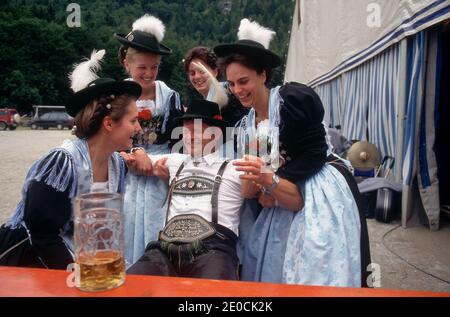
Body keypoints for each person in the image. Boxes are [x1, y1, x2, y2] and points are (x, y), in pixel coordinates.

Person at [214, 18, 367, 287]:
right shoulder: (248, 125)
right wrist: (264, 187)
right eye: (232, 84)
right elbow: (252, 183)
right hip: (280, 194)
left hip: (316, 186)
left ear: (263, 75)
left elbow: (314, 153)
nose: (237, 90)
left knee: (317, 264)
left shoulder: (290, 101)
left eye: (244, 81)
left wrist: (273, 183)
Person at [124, 100, 303, 279]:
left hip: (213, 251)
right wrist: (138, 152)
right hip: (164, 249)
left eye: (198, 130)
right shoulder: (173, 161)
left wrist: (262, 168)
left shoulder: (235, 167)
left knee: (215, 292)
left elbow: (288, 200)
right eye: (186, 129)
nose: (190, 136)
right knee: (130, 285)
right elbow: (128, 157)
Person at [0, 49, 142, 269]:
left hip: (77, 257)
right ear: (109, 124)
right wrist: (77, 273)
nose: (139, 128)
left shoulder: (117, 165)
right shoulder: (62, 162)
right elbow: (41, 235)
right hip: (29, 260)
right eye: (133, 121)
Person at [114, 14, 184, 266]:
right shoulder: (116, 96)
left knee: (160, 228)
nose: (148, 73)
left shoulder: (170, 97)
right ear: (126, 64)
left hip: (160, 174)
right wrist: (133, 151)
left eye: (154, 67)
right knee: (127, 224)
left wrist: (171, 168)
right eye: (142, 67)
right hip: (127, 171)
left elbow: (179, 142)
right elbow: (109, 137)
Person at [183, 46, 248, 127]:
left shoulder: (228, 94)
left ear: (215, 72)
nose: (197, 76)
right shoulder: (207, 100)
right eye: (192, 73)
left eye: (202, 71)